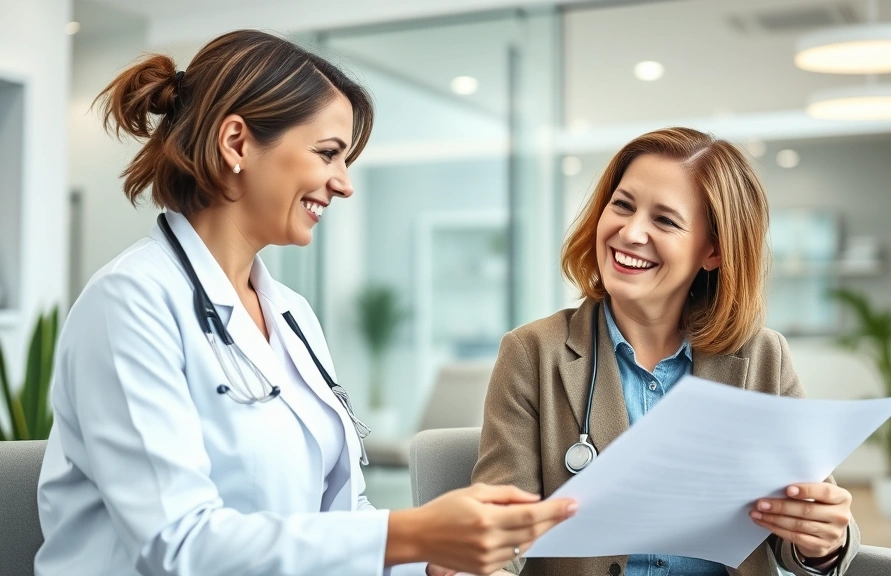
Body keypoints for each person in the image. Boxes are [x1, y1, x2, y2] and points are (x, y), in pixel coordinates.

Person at [35, 30, 574, 576]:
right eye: (327, 154)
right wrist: (413, 532)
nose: (344, 184)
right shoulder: (129, 302)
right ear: (237, 143)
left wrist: (432, 566)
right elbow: (178, 546)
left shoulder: (291, 314)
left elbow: (343, 518)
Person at [472, 127, 860, 576]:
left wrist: (822, 541)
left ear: (713, 251)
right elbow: (499, 536)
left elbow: (804, 526)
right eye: (622, 205)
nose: (631, 232)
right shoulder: (533, 353)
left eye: (665, 220)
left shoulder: (762, 358)